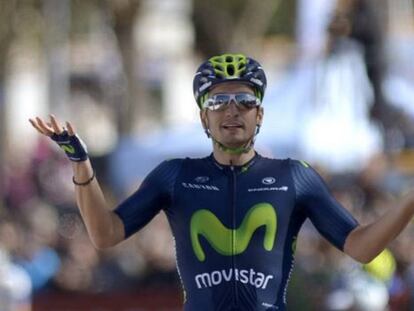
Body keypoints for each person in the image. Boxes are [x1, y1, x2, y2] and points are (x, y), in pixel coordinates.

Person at [29, 53, 414, 311]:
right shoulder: (175, 174)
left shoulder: (294, 176)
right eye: (218, 102)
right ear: (203, 119)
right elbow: (106, 234)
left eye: (244, 102)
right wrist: (80, 162)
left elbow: (361, 247)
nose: (232, 110)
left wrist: (410, 198)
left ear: (260, 115)